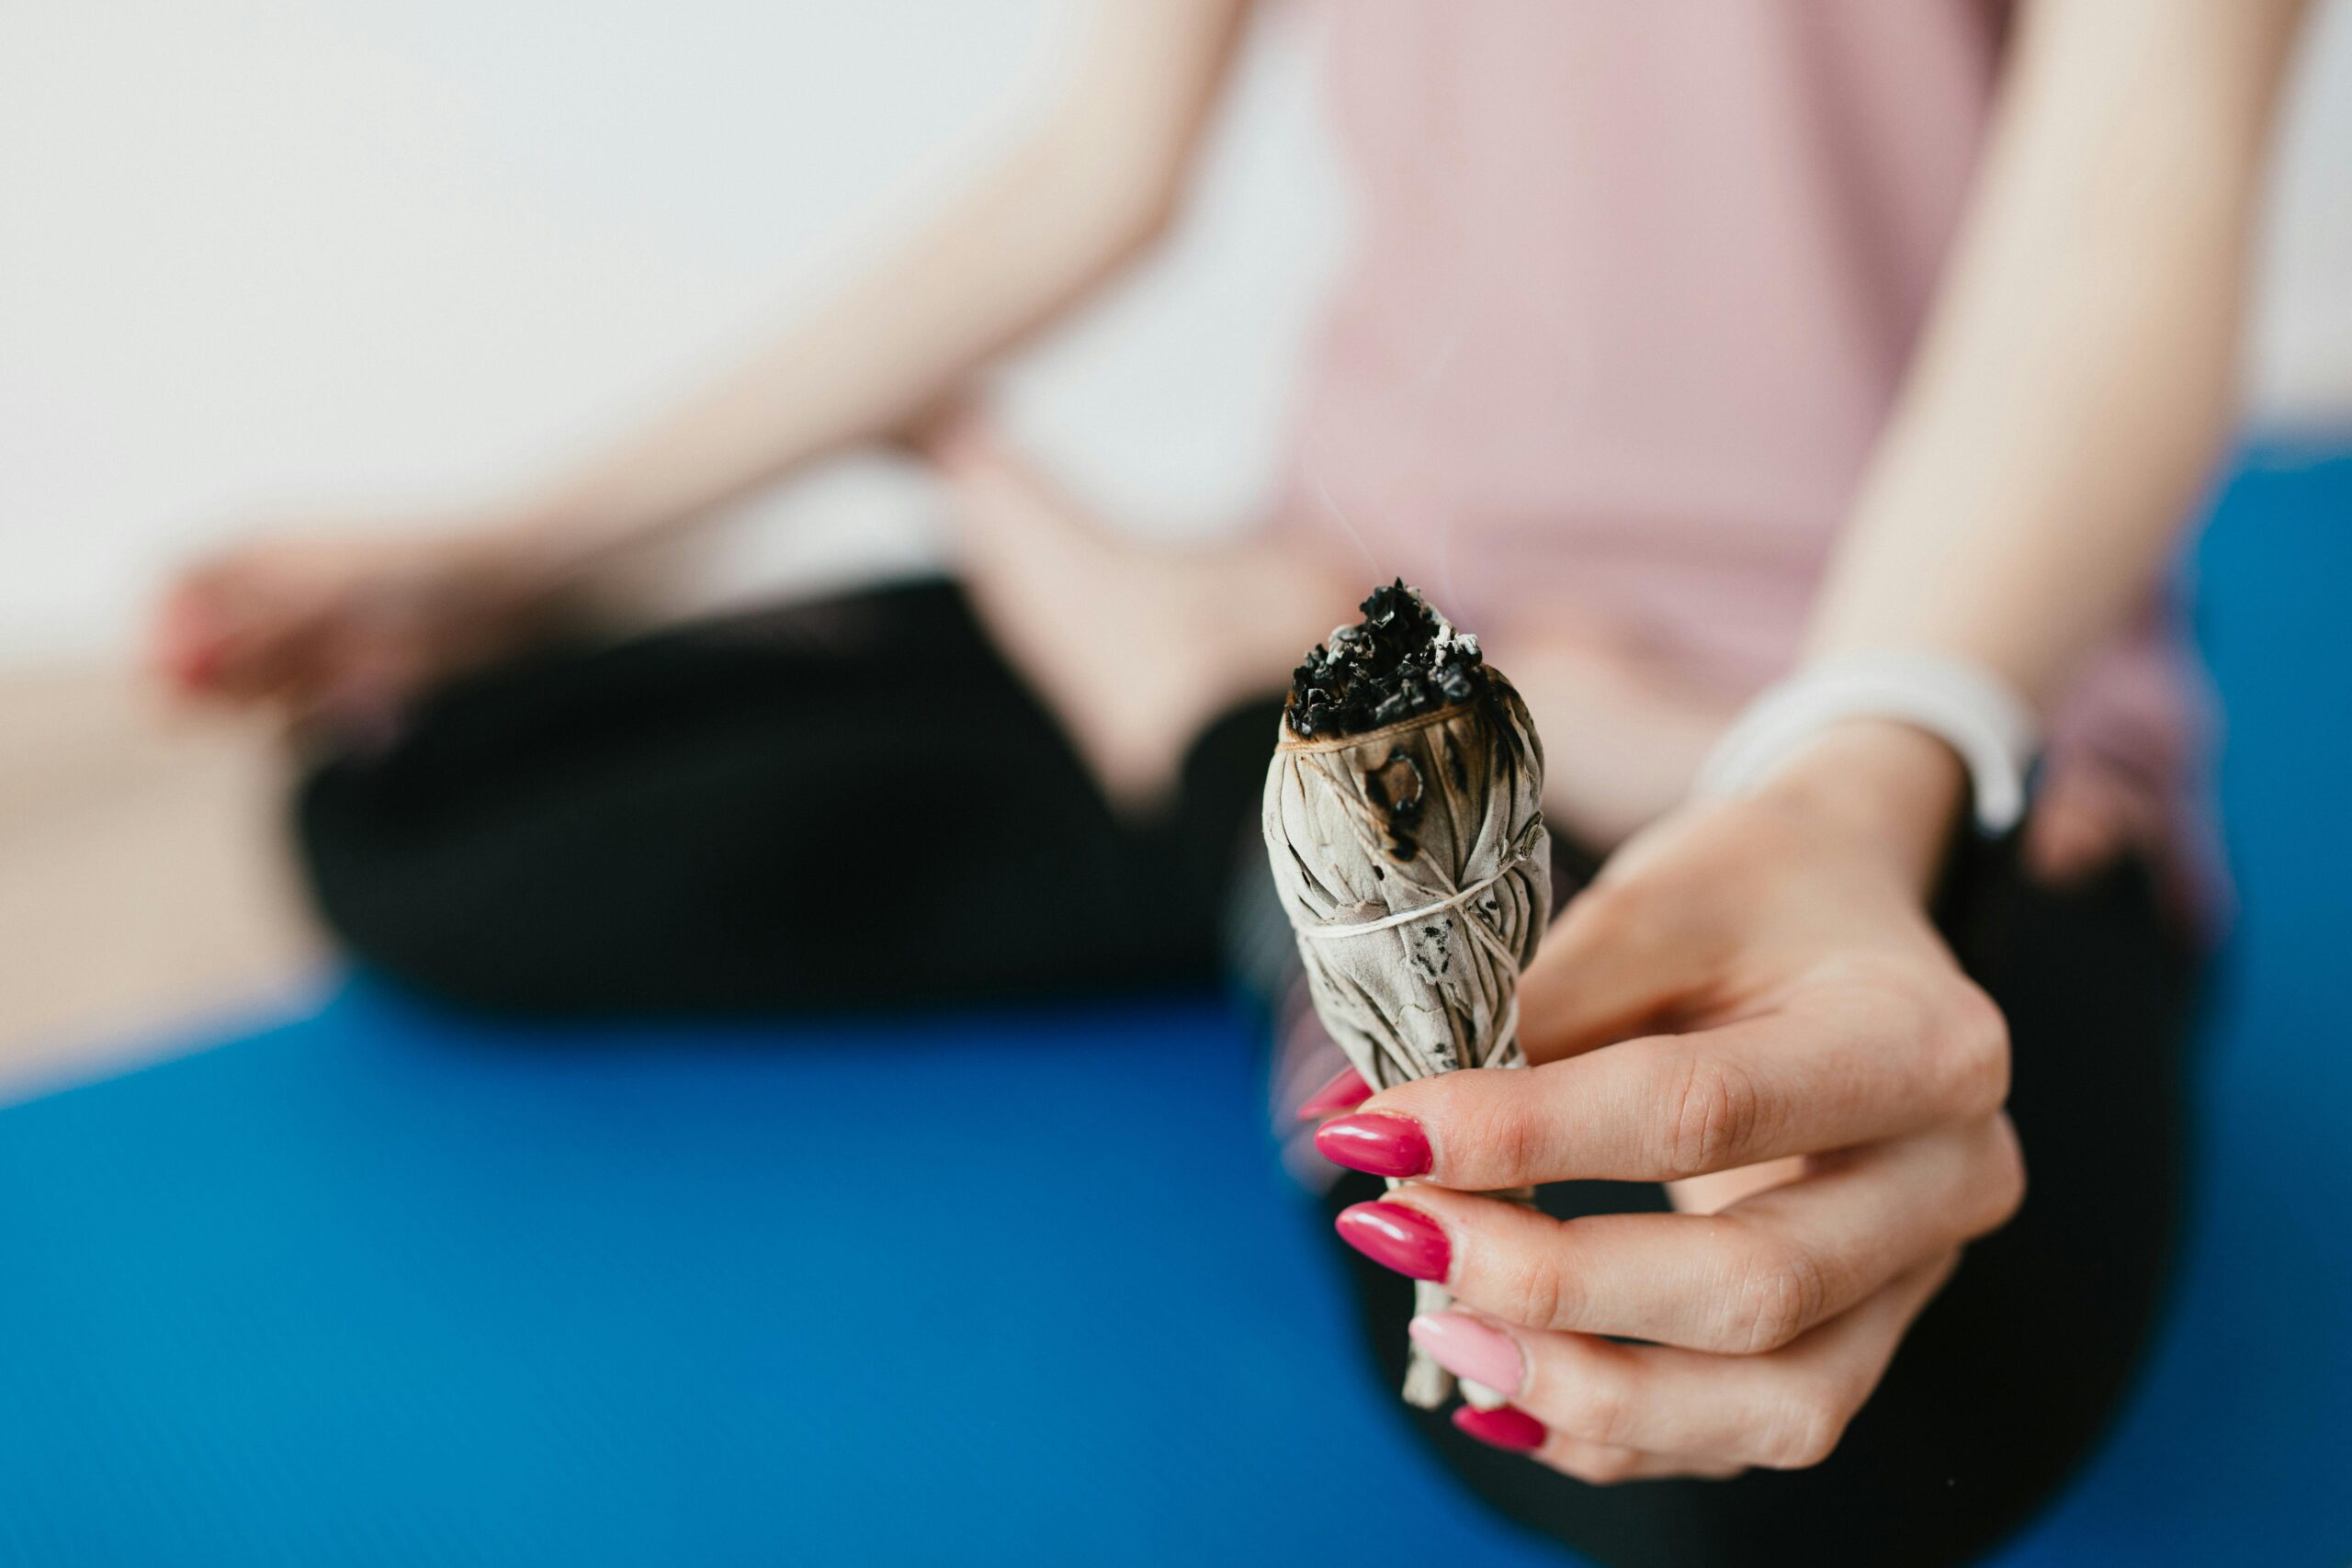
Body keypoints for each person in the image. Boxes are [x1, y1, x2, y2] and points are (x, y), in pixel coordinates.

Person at [152, 2, 2312, 1563]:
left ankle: (1205, 731)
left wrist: (1870, 752)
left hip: (1897, 697)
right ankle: (1254, 713)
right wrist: (519, 549)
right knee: (412, 809)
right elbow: (1093, 172)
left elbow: (2137, 187)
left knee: (1782, 1452)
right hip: (1387, 629)